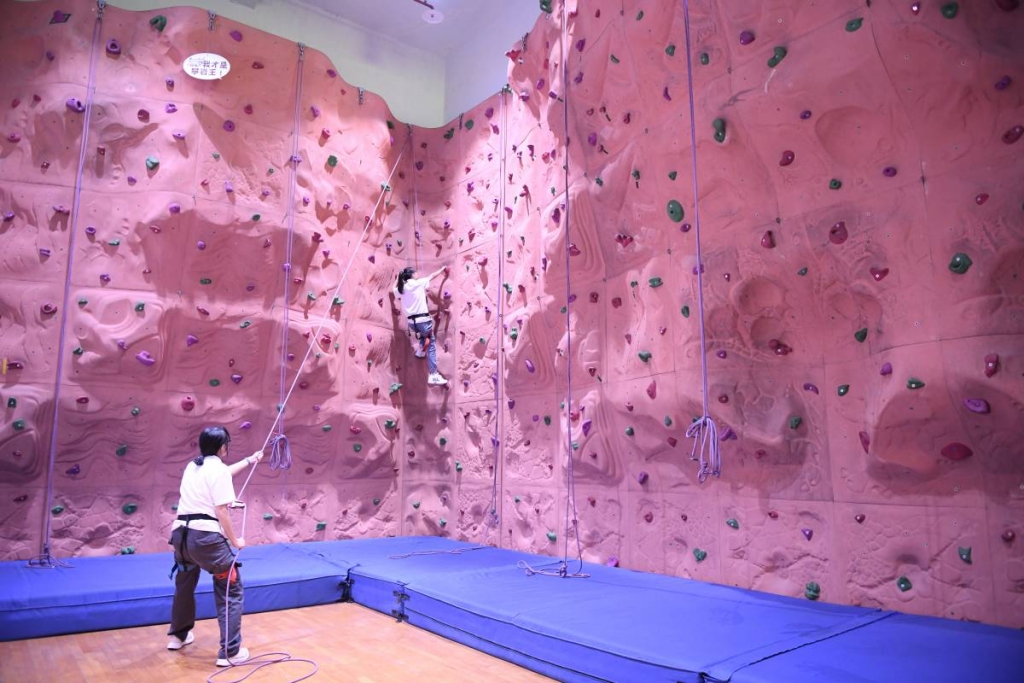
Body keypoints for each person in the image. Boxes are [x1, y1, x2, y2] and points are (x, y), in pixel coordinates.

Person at [166, 426, 263, 667]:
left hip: (181, 537)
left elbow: (223, 473)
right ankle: (230, 651)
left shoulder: (193, 465)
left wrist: (250, 460)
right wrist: (235, 541)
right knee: (230, 588)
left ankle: (178, 636)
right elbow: (221, 510)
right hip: (205, 539)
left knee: (184, 584)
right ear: (223, 447)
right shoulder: (217, 470)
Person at [393, 266, 448, 385]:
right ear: (412, 274)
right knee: (431, 344)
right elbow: (432, 276)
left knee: (424, 336)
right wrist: (442, 269)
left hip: (412, 323)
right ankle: (433, 375)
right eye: (415, 272)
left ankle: (421, 351)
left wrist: (397, 279)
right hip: (423, 320)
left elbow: (393, 290)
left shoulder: (402, 288)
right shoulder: (418, 283)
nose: (417, 273)